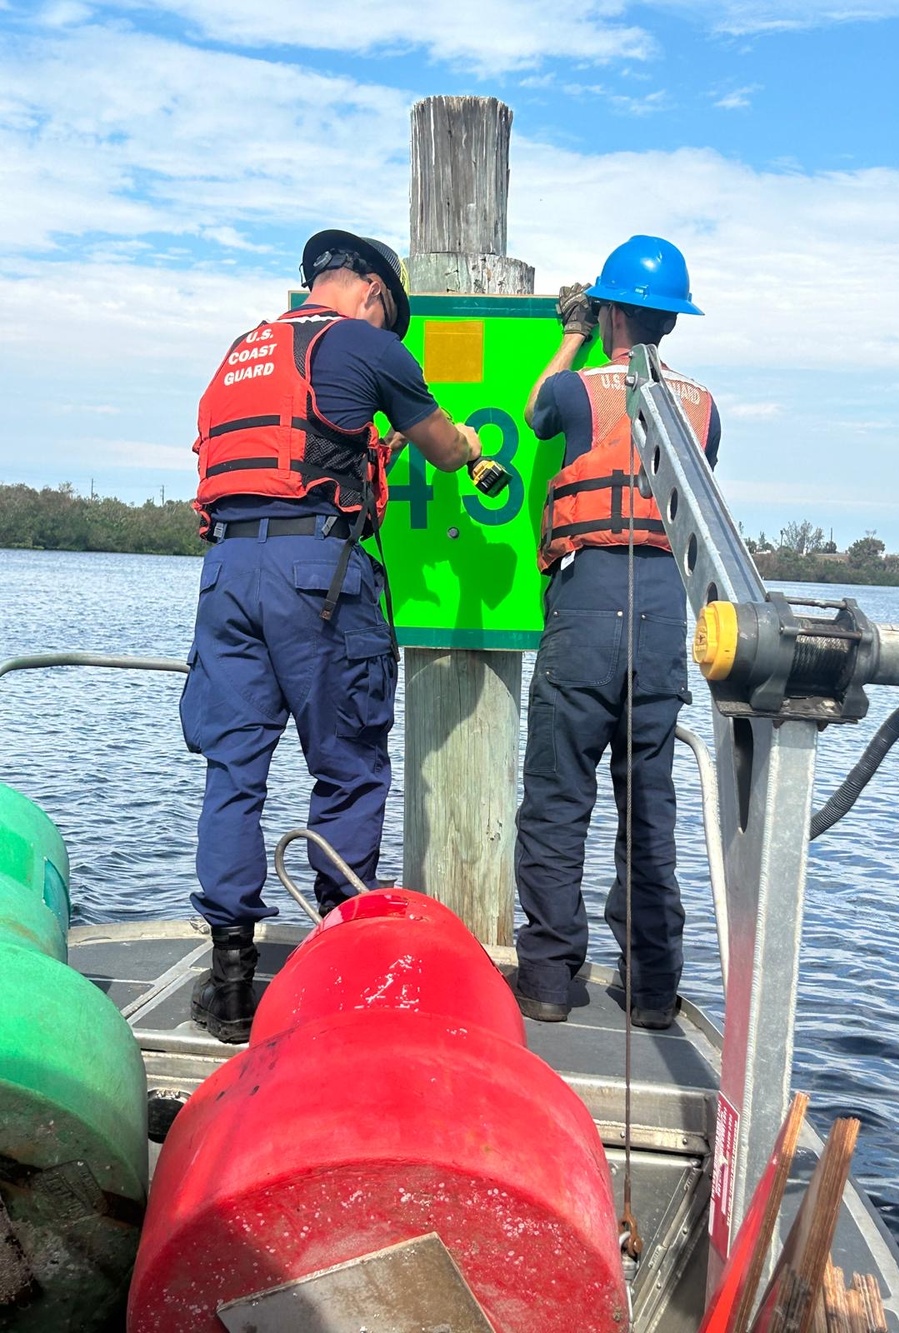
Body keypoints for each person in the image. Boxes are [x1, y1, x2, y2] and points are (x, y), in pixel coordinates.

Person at [180, 228, 482, 1043]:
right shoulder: (360, 342)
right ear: (374, 295)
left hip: (226, 574)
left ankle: (232, 983)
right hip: (317, 576)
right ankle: (342, 977)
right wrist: (473, 446)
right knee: (348, 766)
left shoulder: (241, 350)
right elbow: (443, 445)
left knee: (233, 770)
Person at [512, 235, 721, 1030]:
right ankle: (653, 990)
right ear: (671, 318)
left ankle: (547, 982)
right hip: (667, 604)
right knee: (650, 802)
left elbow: (538, 409)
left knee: (559, 797)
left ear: (608, 311)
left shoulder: (578, 390)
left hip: (590, 595)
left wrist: (570, 331)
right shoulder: (702, 406)